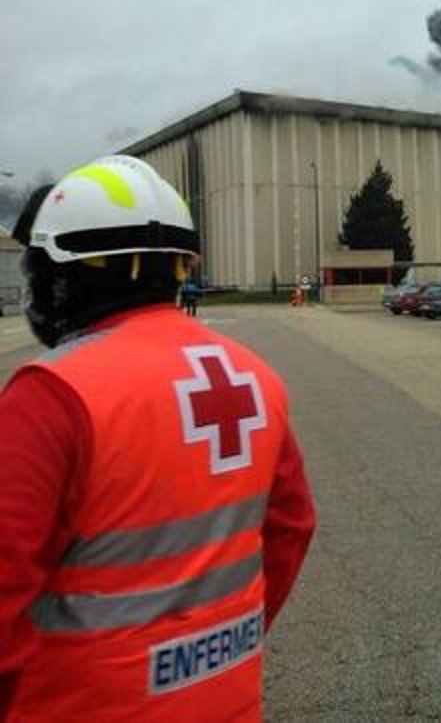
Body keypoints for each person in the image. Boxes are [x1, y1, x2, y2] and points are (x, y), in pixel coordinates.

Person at [0, 156, 316, 721]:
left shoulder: (53, 394)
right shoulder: (253, 377)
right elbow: (291, 528)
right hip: (229, 700)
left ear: (65, 276)